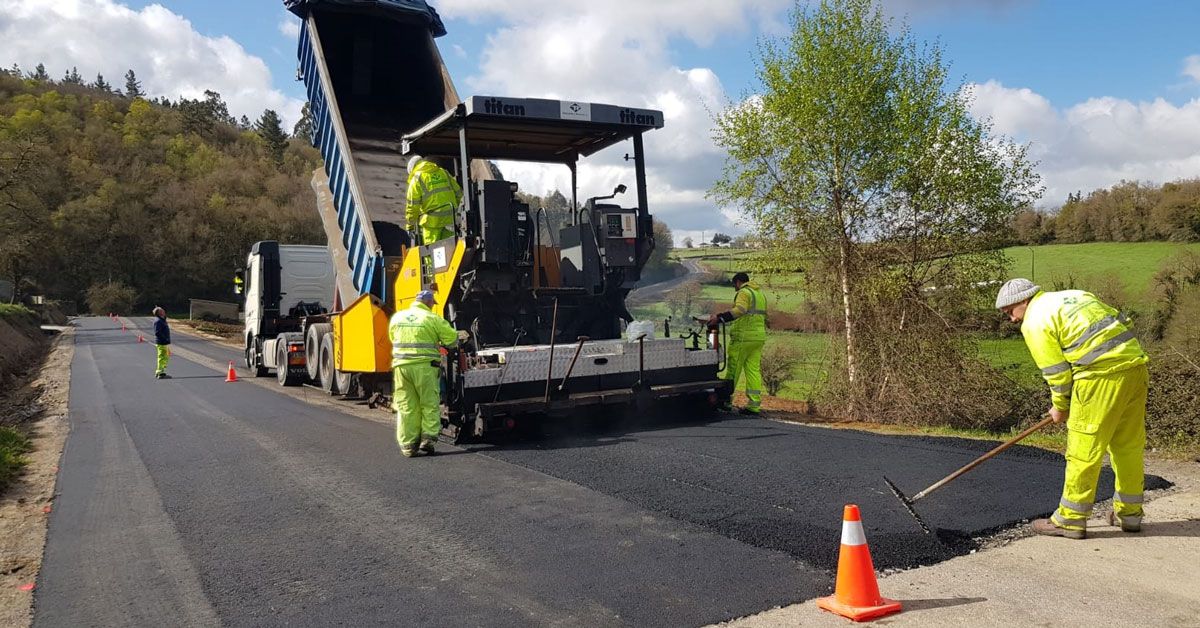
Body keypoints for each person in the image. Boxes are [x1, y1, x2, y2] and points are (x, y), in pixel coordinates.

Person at [996, 278, 1149, 540]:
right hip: (1135, 369)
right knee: (1127, 447)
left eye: (1010, 312)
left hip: (1099, 378)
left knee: (1083, 451)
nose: (1012, 320)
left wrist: (1060, 407)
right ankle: (1130, 514)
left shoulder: (1035, 320)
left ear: (1023, 300)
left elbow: (1057, 374)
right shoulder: (1077, 295)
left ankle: (1070, 520)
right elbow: (1124, 323)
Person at [388, 289, 463, 458]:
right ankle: (427, 440)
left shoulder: (398, 317)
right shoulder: (432, 319)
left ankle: (408, 446)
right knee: (428, 403)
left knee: (407, 406)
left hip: (401, 368)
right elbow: (451, 340)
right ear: (429, 302)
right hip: (425, 368)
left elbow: (393, 338)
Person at [708, 272, 768, 414]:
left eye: (735, 285)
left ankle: (725, 402)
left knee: (733, 370)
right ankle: (754, 405)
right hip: (758, 337)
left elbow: (739, 311)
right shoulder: (759, 294)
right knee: (753, 371)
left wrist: (720, 318)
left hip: (743, 338)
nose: (735, 288)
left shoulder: (744, 292)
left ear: (738, 282)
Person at [405, 155, 463, 246]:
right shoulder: (443, 172)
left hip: (432, 222)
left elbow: (412, 206)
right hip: (450, 217)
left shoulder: (417, 179)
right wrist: (457, 212)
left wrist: (410, 226)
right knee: (450, 250)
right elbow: (459, 193)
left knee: (432, 252)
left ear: (412, 169)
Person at [152, 306, 172, 379]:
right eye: (162, 310)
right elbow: (157, 332)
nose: (164, 311)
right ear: (159, 313)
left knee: (165, 357)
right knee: (162, 357)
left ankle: (161, 372)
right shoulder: (158, 321)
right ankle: (160, 373)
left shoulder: (162, 320)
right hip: (161, 342)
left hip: (164, 342)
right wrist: (164, 339)